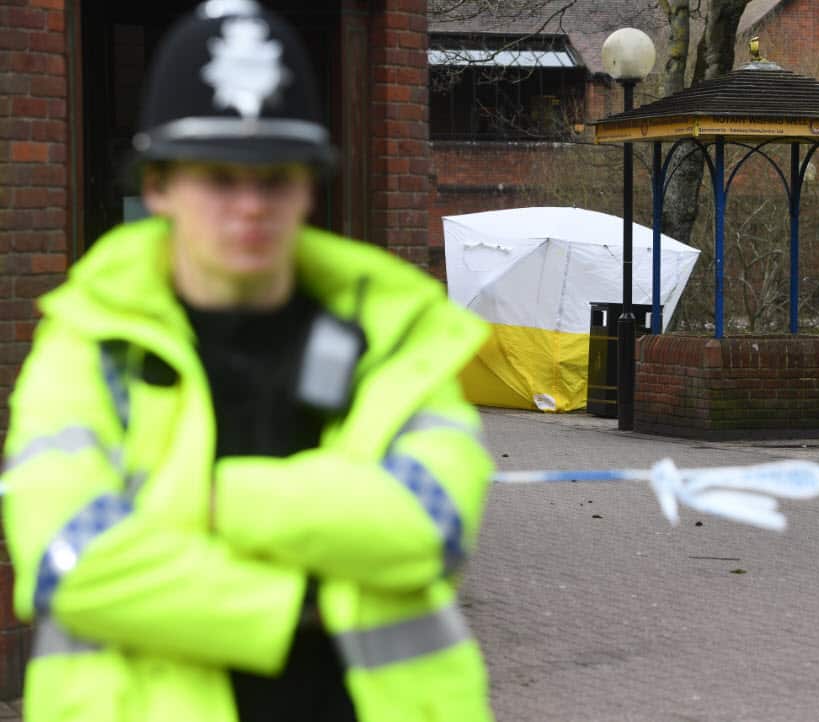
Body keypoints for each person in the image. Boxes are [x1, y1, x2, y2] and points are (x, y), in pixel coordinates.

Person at [1, 2, 495, 720]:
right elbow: (68, 559)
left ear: (308, 188)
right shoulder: (86, 344)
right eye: (219, 178)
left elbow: (433, 526)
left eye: (275, 179)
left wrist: (213, 502)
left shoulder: (395, 335)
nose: (250, 207)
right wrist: (298, 602)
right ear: (159, 187)